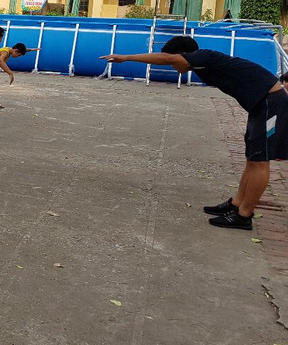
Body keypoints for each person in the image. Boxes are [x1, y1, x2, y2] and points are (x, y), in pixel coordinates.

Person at [103, 36, 287, 230]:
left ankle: (244, 215)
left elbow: (167, 58)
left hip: (270, 103)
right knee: (252, 157)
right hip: (259, 104)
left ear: (183, 56)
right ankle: (236, 204)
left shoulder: (202, 57)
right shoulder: (201, 64)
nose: (174, 67)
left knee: (260, 160)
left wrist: (126, 57)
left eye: (175, 61)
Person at [0, 42, 38, 109]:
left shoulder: (9, 50)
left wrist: (32, 50)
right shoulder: (5, 52)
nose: (17, 57)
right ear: (16, 51)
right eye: (18, 55)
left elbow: (21, 49)